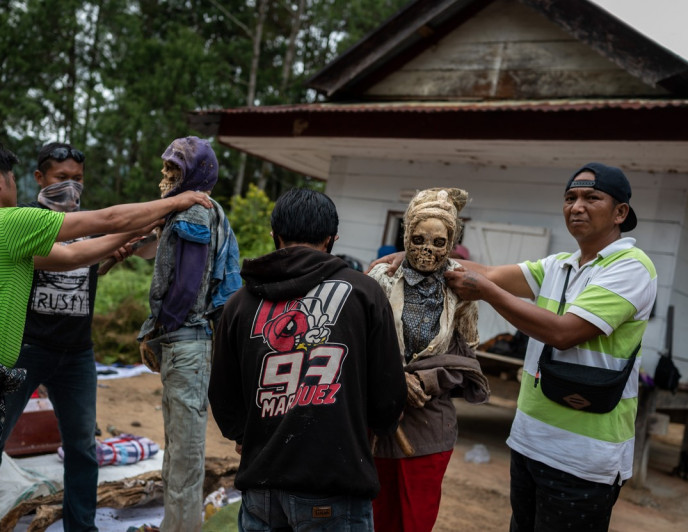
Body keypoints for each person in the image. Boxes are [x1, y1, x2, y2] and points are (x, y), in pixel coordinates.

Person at [0, 137, 211, 530]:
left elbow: (73, 256)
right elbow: (107, 219)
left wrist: (139, 229)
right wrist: (177, 201)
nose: (15, 184)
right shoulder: (10, 222)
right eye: (11, 176)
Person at [372, 163, 657, 532]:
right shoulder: (559, 265)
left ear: (621, 212)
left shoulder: (631, 267)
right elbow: (488, 272)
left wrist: (487, 293)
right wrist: (414, 261)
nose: (577, 206)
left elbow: (563, 332)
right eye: (570, 198)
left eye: (592, 197)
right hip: (530, 441)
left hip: (585, 456)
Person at [208, 188, 407, 531]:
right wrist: (376, 427)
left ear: (276, 236)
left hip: (260, 487)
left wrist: (244, 434)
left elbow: (222, 393)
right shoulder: (364, 294)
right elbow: (388, 392)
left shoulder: (239, 303)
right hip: (334, 483)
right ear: (332, 239)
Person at [0, 142, 124, 531]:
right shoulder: (23, 222)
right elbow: (56, 260)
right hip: (27, 349)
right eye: (61, 178)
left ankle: (81, 527)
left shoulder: (88, 223)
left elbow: (81, 269)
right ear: (39, 178)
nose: (71, 187)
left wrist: (109, 260)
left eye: (78, 179)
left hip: (77, 355)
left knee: (83, 448)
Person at [367, 188, 489, 532]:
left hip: (427, 428)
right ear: (407, 236)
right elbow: (355, 345)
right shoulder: (381, 279)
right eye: (418, 239)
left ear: (450, 242)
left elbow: (466, 362)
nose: (427, 250)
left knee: (415, 521)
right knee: (371, 517)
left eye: (438, 242)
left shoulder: (461, 288)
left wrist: (426, 381)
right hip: (374, 422)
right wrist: (391, 377)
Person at [137, 136, 242, 532]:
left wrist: (160, 326)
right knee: (179, 451)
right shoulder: (188, 210)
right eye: (166, 168)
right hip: (186, 343)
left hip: (186, 341)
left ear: (196, 173)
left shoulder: (194, 214)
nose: (166, 177)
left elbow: (186, 285)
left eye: (175, 170)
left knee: (183, 459)